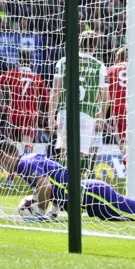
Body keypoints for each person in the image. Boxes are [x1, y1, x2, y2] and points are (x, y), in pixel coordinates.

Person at [0, 140, 135, 221]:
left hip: (92, 195)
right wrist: (51, 211)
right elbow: (57, 186)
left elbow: (46, 187)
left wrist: (39, 213)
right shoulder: (30, 158)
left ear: (5, 155)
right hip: (90, 196)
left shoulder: (23, 164)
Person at [49, 31, 109, 177]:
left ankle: (63, 194)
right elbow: (106, 96)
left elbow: (55, 90)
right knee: (80, 156)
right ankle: (76, 192)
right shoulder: (99, 66)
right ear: (95, 47)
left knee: (65, 154)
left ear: (78, 43)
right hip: (86, 115)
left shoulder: (64, 61)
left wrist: (51, 115)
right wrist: (100, 115)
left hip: (65, 113)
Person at [0, 50, 48, 153]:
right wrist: (43, 112)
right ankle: (26, 158)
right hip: (30, 116)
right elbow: (46, 99)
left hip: (14, 115)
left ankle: (10, 164)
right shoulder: (37, 78)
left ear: (19, 61)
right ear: (31, 62)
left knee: (12, 145)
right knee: (27, 143)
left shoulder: (12, 73)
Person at [107, 46, 128, 163]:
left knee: (124, 146)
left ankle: (129, 174)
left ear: (117, 58)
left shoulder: (109, 70)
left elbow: (104, 93)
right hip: (134, 108)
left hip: (118, 109)